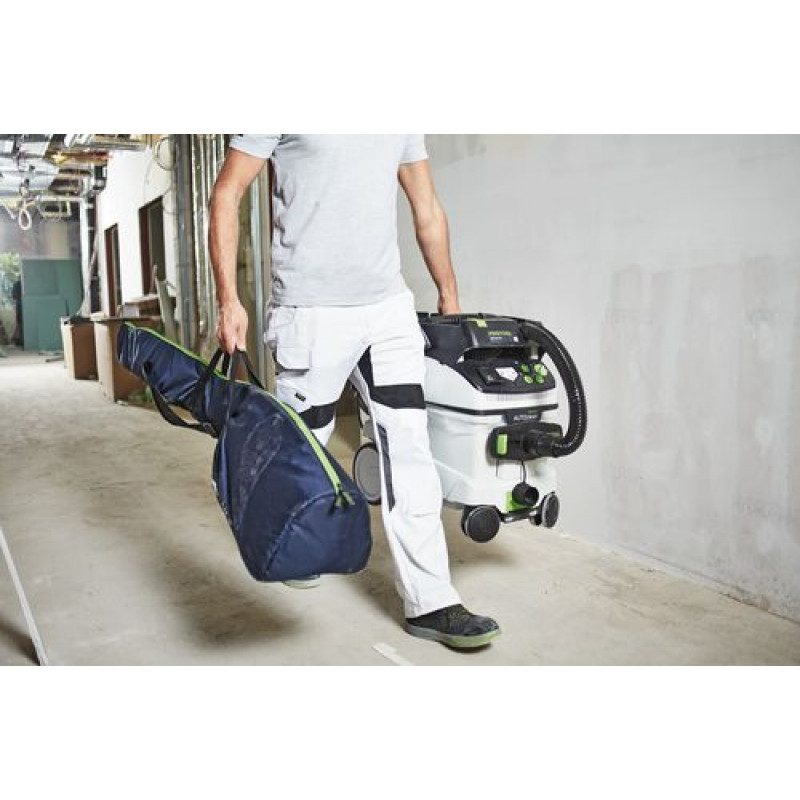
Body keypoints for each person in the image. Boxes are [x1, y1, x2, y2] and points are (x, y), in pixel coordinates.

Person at [209, 135, 499, 649]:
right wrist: (228, 299)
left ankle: (432, 601)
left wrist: (449, 296)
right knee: (302, 448)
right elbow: (228, 193)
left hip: (387, 309)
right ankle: (292, 539)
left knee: (410, 448)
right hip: (311, 310)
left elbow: (427, 206)